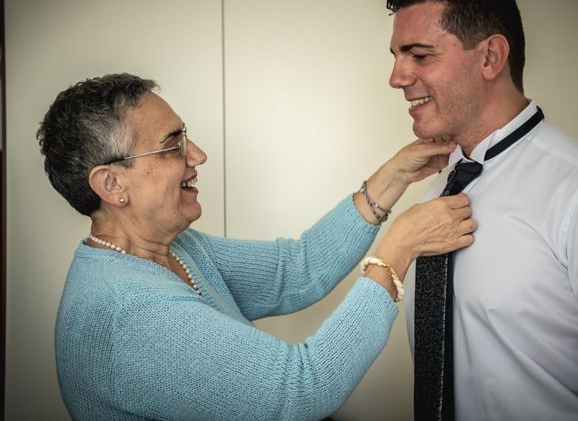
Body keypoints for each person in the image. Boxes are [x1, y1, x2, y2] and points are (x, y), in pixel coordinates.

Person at [37, 73, 476, 421]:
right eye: (173, 146)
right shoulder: (127, 314)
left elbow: (296, 270)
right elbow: (301, 389)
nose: (198, 156)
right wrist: (397, 250)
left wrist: (394, 176)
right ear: (112, 184)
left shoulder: (177, 249)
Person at [386, 0, 578, 420]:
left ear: (490, 56)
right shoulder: (435, 189)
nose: (397, 78)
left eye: (419, 55)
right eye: (397, 57)